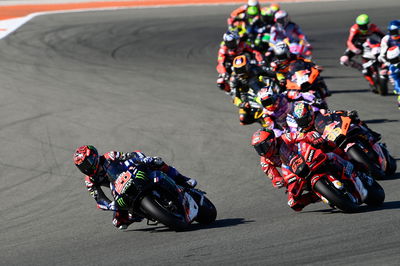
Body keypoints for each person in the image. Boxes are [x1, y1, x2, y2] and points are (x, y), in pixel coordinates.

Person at [73, 145, 197, 230]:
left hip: (131, 172)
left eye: (87, 163)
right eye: (82, 167)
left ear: (94, 157)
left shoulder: (109, 156)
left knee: (156, 162)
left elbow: (129, 156)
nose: (85, 168)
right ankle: (140, 213)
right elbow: (99, 198)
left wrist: (143, 159)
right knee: (118, 223)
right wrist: (110, 205)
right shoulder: (89, 181)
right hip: (118, 188)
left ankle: (183, 179)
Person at [251, 128, 325, 211]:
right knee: (293, 203)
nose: (262, 151)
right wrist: (278, 181)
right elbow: (273, 176)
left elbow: (303, 136)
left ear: (271, 141)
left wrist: (313, 137)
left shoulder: (284, 138)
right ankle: (319, 194)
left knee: (326, 144)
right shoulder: (265, 160)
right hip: (292, 170)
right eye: (258, 149)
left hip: (303, 155)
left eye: (263, 147)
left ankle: (341, 155)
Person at [340, 14, 385, 86]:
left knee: (384, 54)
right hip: (358, 46)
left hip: (371, 45)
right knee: (344, 59)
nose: (363, 28)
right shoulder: (354, 29)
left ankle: (384, 67)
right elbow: (349, 41)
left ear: (368, 24)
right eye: (361, 26)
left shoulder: (373, 27)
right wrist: (354, 49)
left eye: (364, 25)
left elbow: (384, 37)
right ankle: (360, 67)